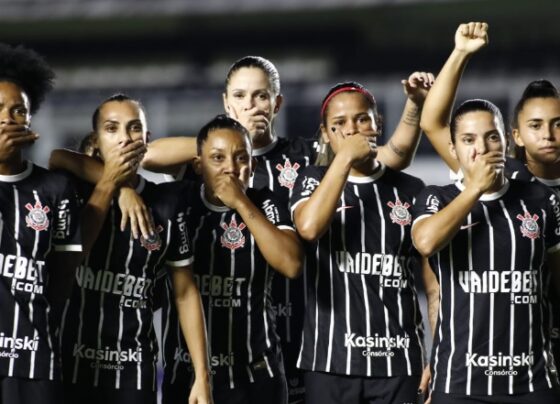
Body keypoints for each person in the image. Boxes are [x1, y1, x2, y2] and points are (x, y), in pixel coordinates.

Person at [142, 56, 433, 404]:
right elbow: (148, 155)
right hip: (222, 318)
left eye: (261, 96)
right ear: (226, 101)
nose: (251, 104)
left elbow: (387, 156)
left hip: (296, 318)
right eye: (241, 96)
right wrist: (231, 142)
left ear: (276, 103)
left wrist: (414, 106)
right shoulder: (213, 163)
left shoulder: (306, 155)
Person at [419, 21, 560, 391]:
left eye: (558, 124)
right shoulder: (502, 173)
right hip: (500, 358)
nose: (548, 134)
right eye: (536, 125)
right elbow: (434, 123)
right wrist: (461, 53)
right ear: (516, 136)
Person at [50, 94, 211, 404]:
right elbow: (58, 156)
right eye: (112, 128)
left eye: (135, 128)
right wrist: (119, 187)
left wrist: (202, 377)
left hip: (135, 371)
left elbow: (185, 293)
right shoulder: (71, 191)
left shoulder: (165, 203)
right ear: (95, 141)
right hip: (71, 363)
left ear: (146, 140)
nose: (125, 137)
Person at [290, 81, 427, 404]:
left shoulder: (411, 189)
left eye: (361, 119)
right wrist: (345, 159)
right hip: (330, 362)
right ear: (324, 134)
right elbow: (308, 228)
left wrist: (437, 354)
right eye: (339, 124)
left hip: (398, 360)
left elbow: (433, 284)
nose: (352, 130)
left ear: (377, 124)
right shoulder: (311, 179)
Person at [162, 114, 303, 403]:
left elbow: (291, 264)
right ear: (198, 165)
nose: (230, 168)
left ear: (253, 165)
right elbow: (147, 155)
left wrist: (241, 202)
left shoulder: (267, 202)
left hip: (256, 377)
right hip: (188, 375)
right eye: (217, 158)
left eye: (241, 158)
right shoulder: (179, 202)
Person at [0, 42, 84, 404]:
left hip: (35, 360)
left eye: (18, 109)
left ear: (30, 119)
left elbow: (64, 274)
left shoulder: (56, 188)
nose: (7, 118)